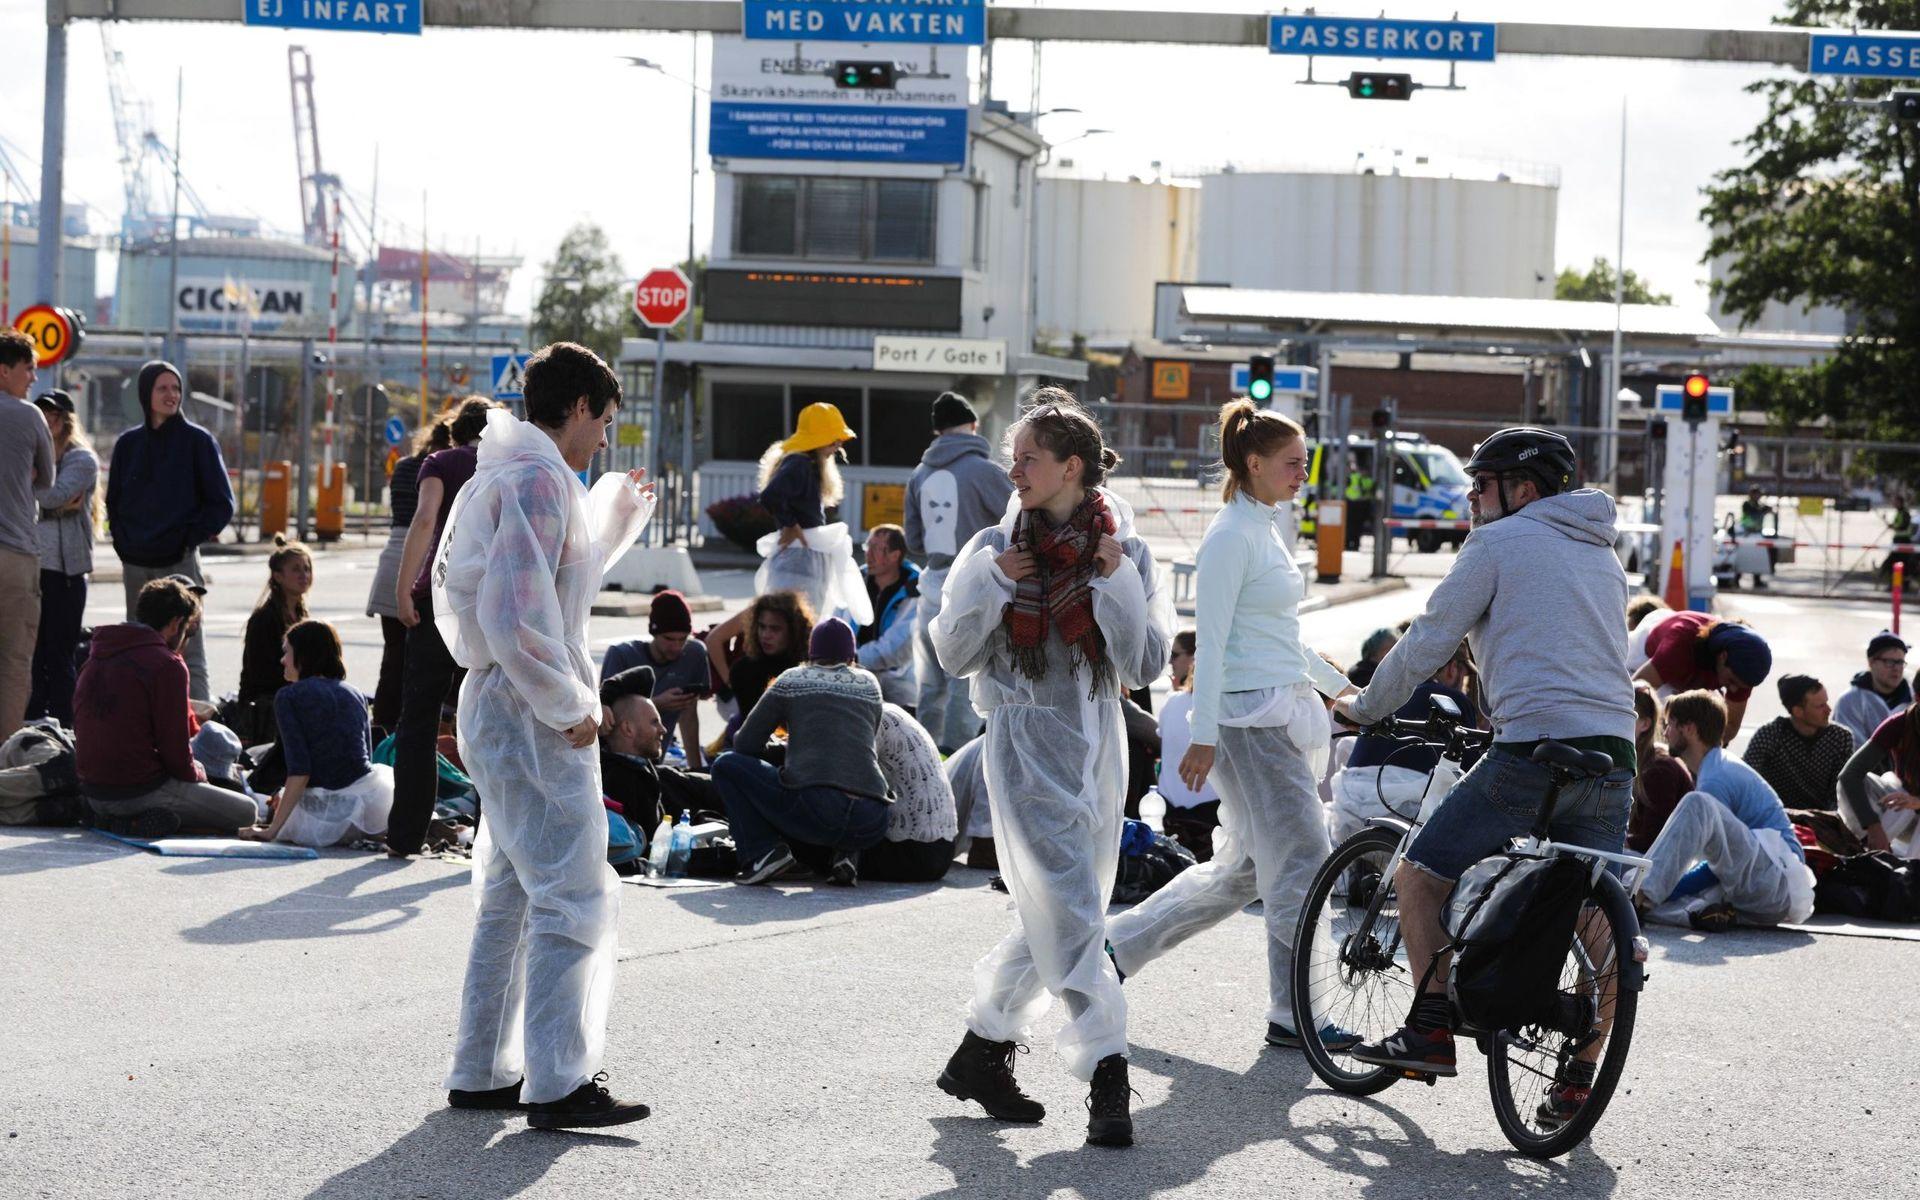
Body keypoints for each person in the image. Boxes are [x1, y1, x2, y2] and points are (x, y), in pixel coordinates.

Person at [1331, 426, 1635, 1095]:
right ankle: (1581, 1075)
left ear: (1521, 490)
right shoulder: (1603, 556)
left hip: (1531, 750)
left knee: (1420, 877)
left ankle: (1430, 1027)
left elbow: (1426, 640)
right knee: (1589, 910)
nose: (1469, 494)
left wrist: (1362, 706)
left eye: (1482, 482)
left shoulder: (1497, 542)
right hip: (1614, 757)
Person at [930, 390, 1170, 1149]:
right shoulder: (991, 551)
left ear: (1072, 466)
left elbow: (1148, 662)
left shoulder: (1125, 551)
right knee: (1073, 914)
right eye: (1014, 457)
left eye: (1029, 457)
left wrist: (1115, 581)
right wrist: (992, 583)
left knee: (1053, 914)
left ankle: (981, 1052)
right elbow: (951, 653)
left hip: (1100, 749)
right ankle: (1107, 1073)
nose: (1015, 469)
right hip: (1025, 750)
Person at [431, 342, 656, 1129]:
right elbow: (518, 613)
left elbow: (550, 575)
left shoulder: (515, 471)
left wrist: (622, 512)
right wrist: (571, 706)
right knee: (571, 892)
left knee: (512, 893)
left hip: (500, 705)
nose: (606, 440)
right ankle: (560, 1081)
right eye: (605, 422)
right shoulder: (536, 478)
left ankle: (483, 1065)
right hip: (531, 712)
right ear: (584, 408)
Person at [1106, 399, 1353, 1054]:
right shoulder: (1229, 537)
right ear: (1254, 464)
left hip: (1268, 713)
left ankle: (1115, 949)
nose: (1305, 472)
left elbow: (1277, 635)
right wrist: (1207, 733)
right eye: (1293, 462)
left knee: (1244, 870)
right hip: (1249, 722)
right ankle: (1295, 1012)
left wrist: (1340, 688)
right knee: (1305, 855)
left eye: (1305, 461)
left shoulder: (1263, 528)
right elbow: (1210, 645)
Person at [387, 397, 496, 858]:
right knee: (492, 725)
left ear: (455, 432)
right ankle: (495, 840)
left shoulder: (444, 461)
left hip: (439, 600)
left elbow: (425, 518)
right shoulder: (507, 464)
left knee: (420, 720)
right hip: (491, 605)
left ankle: (406, 835)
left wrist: (403, 589)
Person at [711, 617, 891, 887]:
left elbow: (744, 744)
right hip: (873, 817)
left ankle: (763, 853)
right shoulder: (869, 683)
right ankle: (846, 855)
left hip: (820, 807)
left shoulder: (792, 679)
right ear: (851, 656)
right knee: (850, 775)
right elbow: (857, 746)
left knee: (726, 765)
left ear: (810, 653)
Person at [72, 578, 257, 837]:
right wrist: (198, 773)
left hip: (92, 791)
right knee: (246, 811)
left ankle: (117, 819)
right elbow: (176, 753)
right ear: (174, 624)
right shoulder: (166, 664)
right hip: (138, 791)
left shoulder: (98, 654)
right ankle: (137, 820)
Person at [106, 359, 235, 703]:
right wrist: (123, 542)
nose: (171, 395)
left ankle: (199, 734)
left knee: (189, 649)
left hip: (179, 564)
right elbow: (113, 501)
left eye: (176, 388)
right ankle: (141, 721)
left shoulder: (198, 441)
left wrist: (184, 540)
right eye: (162, 388)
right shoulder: (128, 444)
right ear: (146, 393)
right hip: (136, 564)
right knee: (138, 648)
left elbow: (222, 504)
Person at [1635, 690, 1815, 931]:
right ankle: (1694, 913)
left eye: (1670, 725)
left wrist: (1662, 888)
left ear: (1689, 728)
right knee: (1666, 899)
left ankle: (1639, 897)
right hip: (1761, 891)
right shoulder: (1714, 766)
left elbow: (1711, 869)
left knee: (1696, 804)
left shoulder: (1716, 777)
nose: (1665, 734)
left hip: (1775, 881)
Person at [905, 392, 1016, 753]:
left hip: (932, 582)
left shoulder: (919, 474)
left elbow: (914, 541)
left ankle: (920, 757)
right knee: (964, 679)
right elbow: (1018, 520)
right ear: (973, 425)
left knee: (931, 683)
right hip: (971, 584)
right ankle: (956, 760)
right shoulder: (984, 471)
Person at [239, 620, 392, 847]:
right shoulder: (354, 693)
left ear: (303, 655)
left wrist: (271, 831)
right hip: (372, 810)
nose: (282, 660)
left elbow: (300, 771)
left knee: (267, 803)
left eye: (287, 652)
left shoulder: (289, 697)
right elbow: (363, 759)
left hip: (324, 822)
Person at [1328, 642, 1483, 844]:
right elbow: (1474, 772)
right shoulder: (1454, 700)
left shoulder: (1387, 694)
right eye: (1465, 674)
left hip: (1348, 805)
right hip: (1402, 809)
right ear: (1453, 668)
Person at [366, 417, 452, 735]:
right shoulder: (442, 469)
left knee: (393, 657)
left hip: (391, 562)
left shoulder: (403, 466)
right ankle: (417, 733)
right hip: (421, 559)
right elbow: (428, 520)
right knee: (424, 664)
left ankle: (381, 730)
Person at [755, 402, 870, 627]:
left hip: (802, 559)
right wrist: (792, 525)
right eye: (834, 438)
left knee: (801, 625)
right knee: (798, 626)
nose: (839, 444)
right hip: (799, 561)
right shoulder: (800, 463)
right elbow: (771, 496)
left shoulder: (805, 463)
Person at [27, 390, 98, 725]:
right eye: (43, 413)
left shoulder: (81, 459)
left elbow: (56, 493)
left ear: (68, 420)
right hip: (32, 565)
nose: (49, 420)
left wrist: (30, 495)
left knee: (60, 655)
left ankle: (66, 728)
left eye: (56, 414)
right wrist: (50, 508)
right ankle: (30, 726)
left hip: (67, 571)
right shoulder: (26, 454)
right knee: (31, 653)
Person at [0, 329, 56, 738]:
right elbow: (47, 480)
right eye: (28, 368)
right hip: (15, 555)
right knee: (14, 661)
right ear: (4, 372)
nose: (33, 378)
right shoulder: (28, 415)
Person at [598, 666, 722, 834]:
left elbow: (645, 674)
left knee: (728, 775)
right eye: (654, 722)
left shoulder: (642, 768)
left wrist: (603, 701)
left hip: (668, 778)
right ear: (628, 729)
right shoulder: (621, 780)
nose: (663, 729)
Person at [599, 590, 711, 766]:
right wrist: (658, 704)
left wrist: (696, 768)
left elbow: (689, 715)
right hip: (618, 763)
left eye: (682, 640)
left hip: (656, 761)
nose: (676, 647)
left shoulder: (694, 654)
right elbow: (606, 720)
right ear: (653, 632)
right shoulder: (621, 655)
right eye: (669, 639)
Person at [1629, 608, 1771, 745]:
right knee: (1646, 723)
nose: (1733, 689)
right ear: (1723, 657)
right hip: (1646, 658)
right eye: (1732, 681)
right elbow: (1635, 695)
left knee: (1702, 728)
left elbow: (1730, 727)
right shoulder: (1679, 646)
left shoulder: (1743, 672)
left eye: (1740, 687)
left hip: (1693, 673)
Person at [860, 702, 958, 883]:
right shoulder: (890, 711)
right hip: (941, 853)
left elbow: (851, 781)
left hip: (907, 853)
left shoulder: (868, 718)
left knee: (809, 846)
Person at [232, 536, 314, 744]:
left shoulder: (301, 614)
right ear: (278, 576)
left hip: (292, 696)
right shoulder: (264, 618)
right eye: (296, 569)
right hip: (266, 707)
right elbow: (261, 675)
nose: (304, 575)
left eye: (307, 568)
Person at [708, 591, 812, 749]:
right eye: (762, 627)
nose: (766, 635)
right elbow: (753, 733)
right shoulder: (744, 670)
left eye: (775, 629)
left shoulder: (808, 669)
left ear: (793, 631)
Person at [1152, 631, 1221, 860]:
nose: (1170, 662)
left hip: (1171, 819)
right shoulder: (1228, 710)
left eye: (1174, 655)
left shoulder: (1171, 702)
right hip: (1210, 822)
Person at [1741, 674, 1853, 813]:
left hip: (1822, 819)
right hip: (1775, 816)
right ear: (1798, 711)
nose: (1829, 710)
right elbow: (1745, 780)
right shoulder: (1770, 735)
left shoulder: (1840, 738)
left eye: (1827, 702)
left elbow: (1839, 793)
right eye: (1820, 706)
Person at [1836, 703, 1920, 857]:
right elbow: (1850, 775)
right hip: (1904, 808)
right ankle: (1867, 848)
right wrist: (1872, 825)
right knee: (1859, 784)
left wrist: (1916, 801)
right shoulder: (1901, 724)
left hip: (1913, 807)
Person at [856, 523, 920, 712]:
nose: (868, 554)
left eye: (877, 549)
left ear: (895, 555)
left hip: (900, 685)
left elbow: (897, 648)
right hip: (855, 674)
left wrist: (852, 657)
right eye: (868, 546)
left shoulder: (916, 590)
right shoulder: (857, 580)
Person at [1626, 682, 1694, 854]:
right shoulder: (1638, 760)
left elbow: (1653, 840)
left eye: (1627, 716)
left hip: (1666, 863)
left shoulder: (1659, 768)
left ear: (1645, 724)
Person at [1833, 632, 1911, 747]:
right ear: (1871, 662)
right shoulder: (1850, 701)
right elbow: (1854, 750)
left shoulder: (1914, 699)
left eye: (1900, 662)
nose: (1896, 668)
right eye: (1889, 662)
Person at [1737, 485, 1773, 589]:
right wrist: (1763, 511)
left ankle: (1757, 580)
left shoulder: (1759, 505)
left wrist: (1766, 509)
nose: (1759, 496)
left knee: (1758, 559)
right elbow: (1754, 513)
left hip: (1757, 534)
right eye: (1757, 494)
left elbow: (1764, 510)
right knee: (1743, 558)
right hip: (1746, 534)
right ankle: (1737, 578)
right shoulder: (1747, 504)